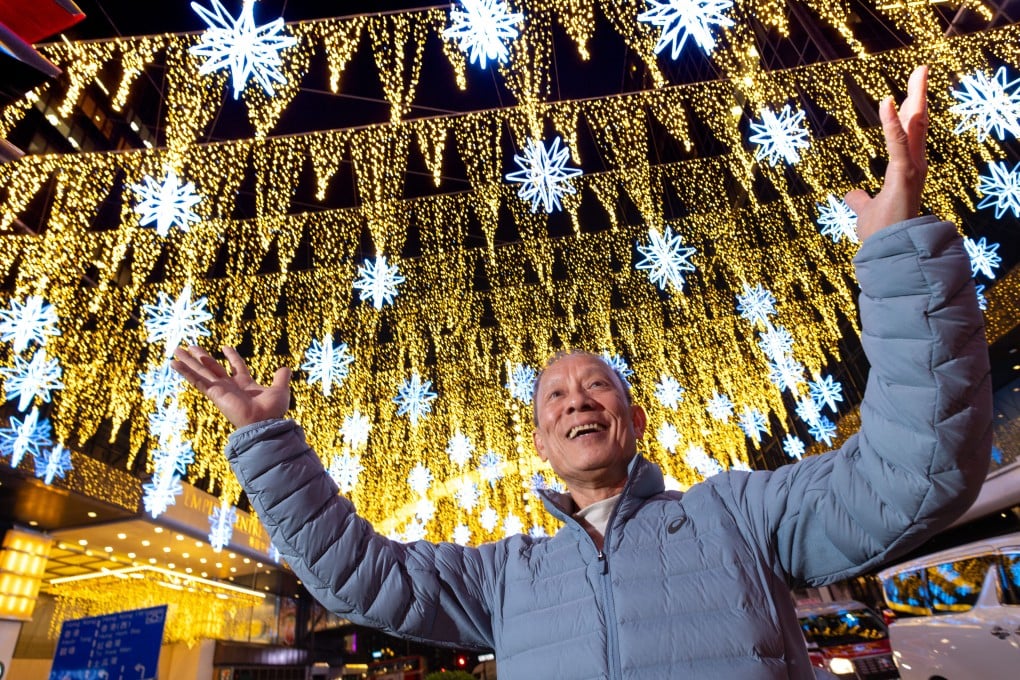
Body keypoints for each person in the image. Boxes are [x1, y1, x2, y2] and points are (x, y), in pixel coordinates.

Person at [171, 66, 992, 679]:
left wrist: (896, 250)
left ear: (632, 420)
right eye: (555, 395)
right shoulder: (503, 577)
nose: (576, 400)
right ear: (540, 442)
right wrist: (265, 438)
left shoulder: (740, 516)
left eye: (596, 384)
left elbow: (912, 471)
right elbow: (362, 576)